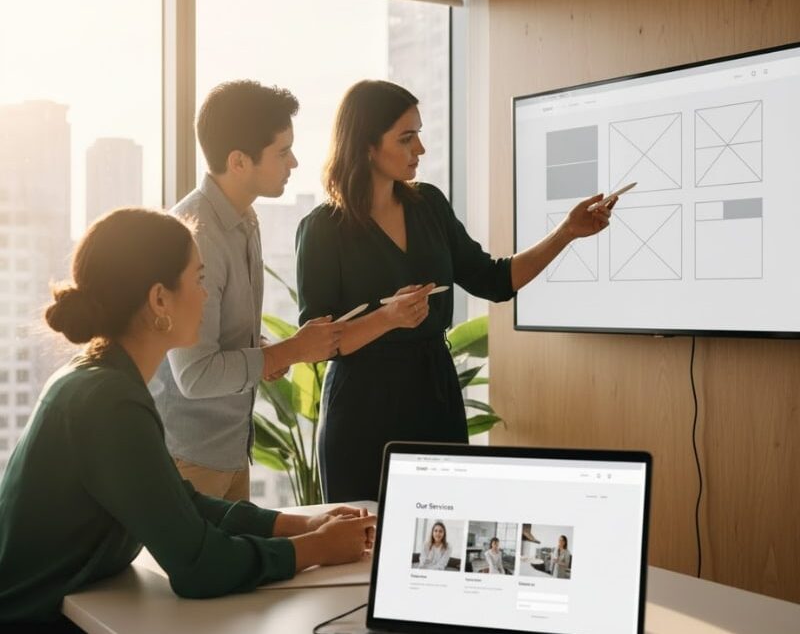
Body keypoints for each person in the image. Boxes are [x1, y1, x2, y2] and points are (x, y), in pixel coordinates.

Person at [0, 208, 375, 630]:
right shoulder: (109, 402)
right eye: (198, 279)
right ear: (160, 299)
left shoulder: (100, 381)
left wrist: (304, 525)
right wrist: (318, 549)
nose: (206, 295)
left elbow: (182, 503)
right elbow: (199, 567)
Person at [296, 80, 614, 501]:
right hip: (362, 408)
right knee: (362, 545)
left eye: (419, 134)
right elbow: (316, 345)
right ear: (366, 146)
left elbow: (495, 281)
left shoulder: (428, 205)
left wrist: (566, 233)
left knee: (443, 529)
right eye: (406, 138)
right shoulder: (322, 229)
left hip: (435, 396)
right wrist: (386, 319)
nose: (420, 149)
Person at [153, 80, 344, 501]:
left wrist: (259, 350)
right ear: (238, 161)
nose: (293, 161)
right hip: (190, 458)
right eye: (282, 152)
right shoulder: (194, 236)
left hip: (230, 448)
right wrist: (292, 351)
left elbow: (216, 334)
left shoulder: (245, 218)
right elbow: (195, 375)